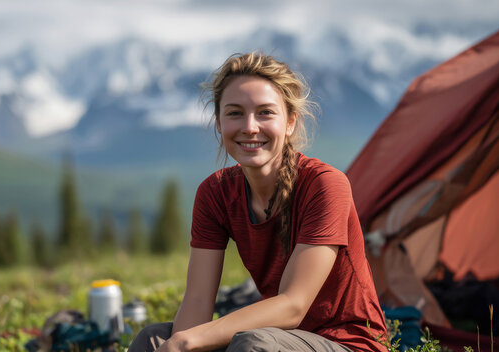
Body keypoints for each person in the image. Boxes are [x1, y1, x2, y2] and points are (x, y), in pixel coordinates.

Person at [129, 52, 388, 352]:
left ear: (290, 122)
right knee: (154, 339)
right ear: (219, 122)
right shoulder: (215, 194)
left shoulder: (325, 185)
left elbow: (293, 306)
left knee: (253, 344)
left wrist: (189, 341)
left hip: (349, 343)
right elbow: (198, 301)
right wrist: (181, 344)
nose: (250, 127)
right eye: (235, 113)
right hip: (276, 338)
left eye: (265, 112)